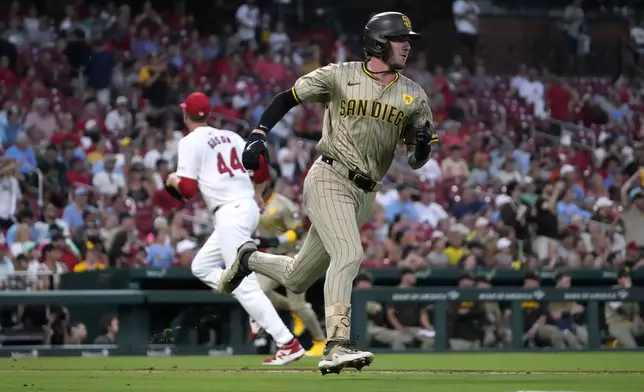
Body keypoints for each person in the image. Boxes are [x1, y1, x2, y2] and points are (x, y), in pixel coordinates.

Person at [219, 12, 439, 374]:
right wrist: (258, 134)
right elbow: (287, 97)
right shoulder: (341, 74)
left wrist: (422, 149)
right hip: (330, 176)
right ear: (379, 42)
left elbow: (417, 160)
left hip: (365, 193)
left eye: (408, 38)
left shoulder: (414, 94)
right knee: (349, 254)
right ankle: (336, 343)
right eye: (400, 38)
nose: (407, 44)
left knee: (296, 277)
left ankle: (248, 260)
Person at [164, 92, 305, 365]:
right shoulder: (232, 136)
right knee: (202, 267)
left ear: (186, 115)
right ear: (209, 114)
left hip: (231, 213)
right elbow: (261, 166)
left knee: (246, 288)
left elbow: (189, 189)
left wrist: (172, 181)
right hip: (245, 209)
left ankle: (287, 343)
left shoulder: (190, 141)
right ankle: (258, 311)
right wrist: (259, 195)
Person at [251, 167, 326, 356]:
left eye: (259, 180)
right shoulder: (253, 202)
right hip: (271, 255)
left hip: (292, 254)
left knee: (298, 304)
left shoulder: (282, 204)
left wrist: (277, 240)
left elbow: (298, 230)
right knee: (260, 292)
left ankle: (320, 340)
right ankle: (295, 312)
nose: (255, 183)